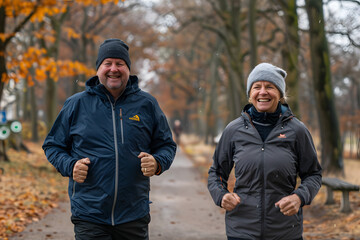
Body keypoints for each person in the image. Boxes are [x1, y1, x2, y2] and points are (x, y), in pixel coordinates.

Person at [42, 38, 177, 240]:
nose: (113, 69)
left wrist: (157, 162)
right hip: (89, 214)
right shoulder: (76, 104)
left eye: (119, 63)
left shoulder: (147, 104)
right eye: (108, 63)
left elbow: (166, 145)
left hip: (134, 214)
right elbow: (53, 145)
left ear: (128, 68)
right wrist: (70, 166)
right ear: (98, 68)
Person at [207, 63, 322, 240]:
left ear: (280, 94)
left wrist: (299, 197)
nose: (263, 92)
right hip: (241, 229)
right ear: (250, 94)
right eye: (256, 87)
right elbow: (216, 173)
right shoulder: (233, 130)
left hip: (285, 230)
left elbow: (313, 174)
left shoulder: (297, 130)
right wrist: (221, 196)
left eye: (270, 87)